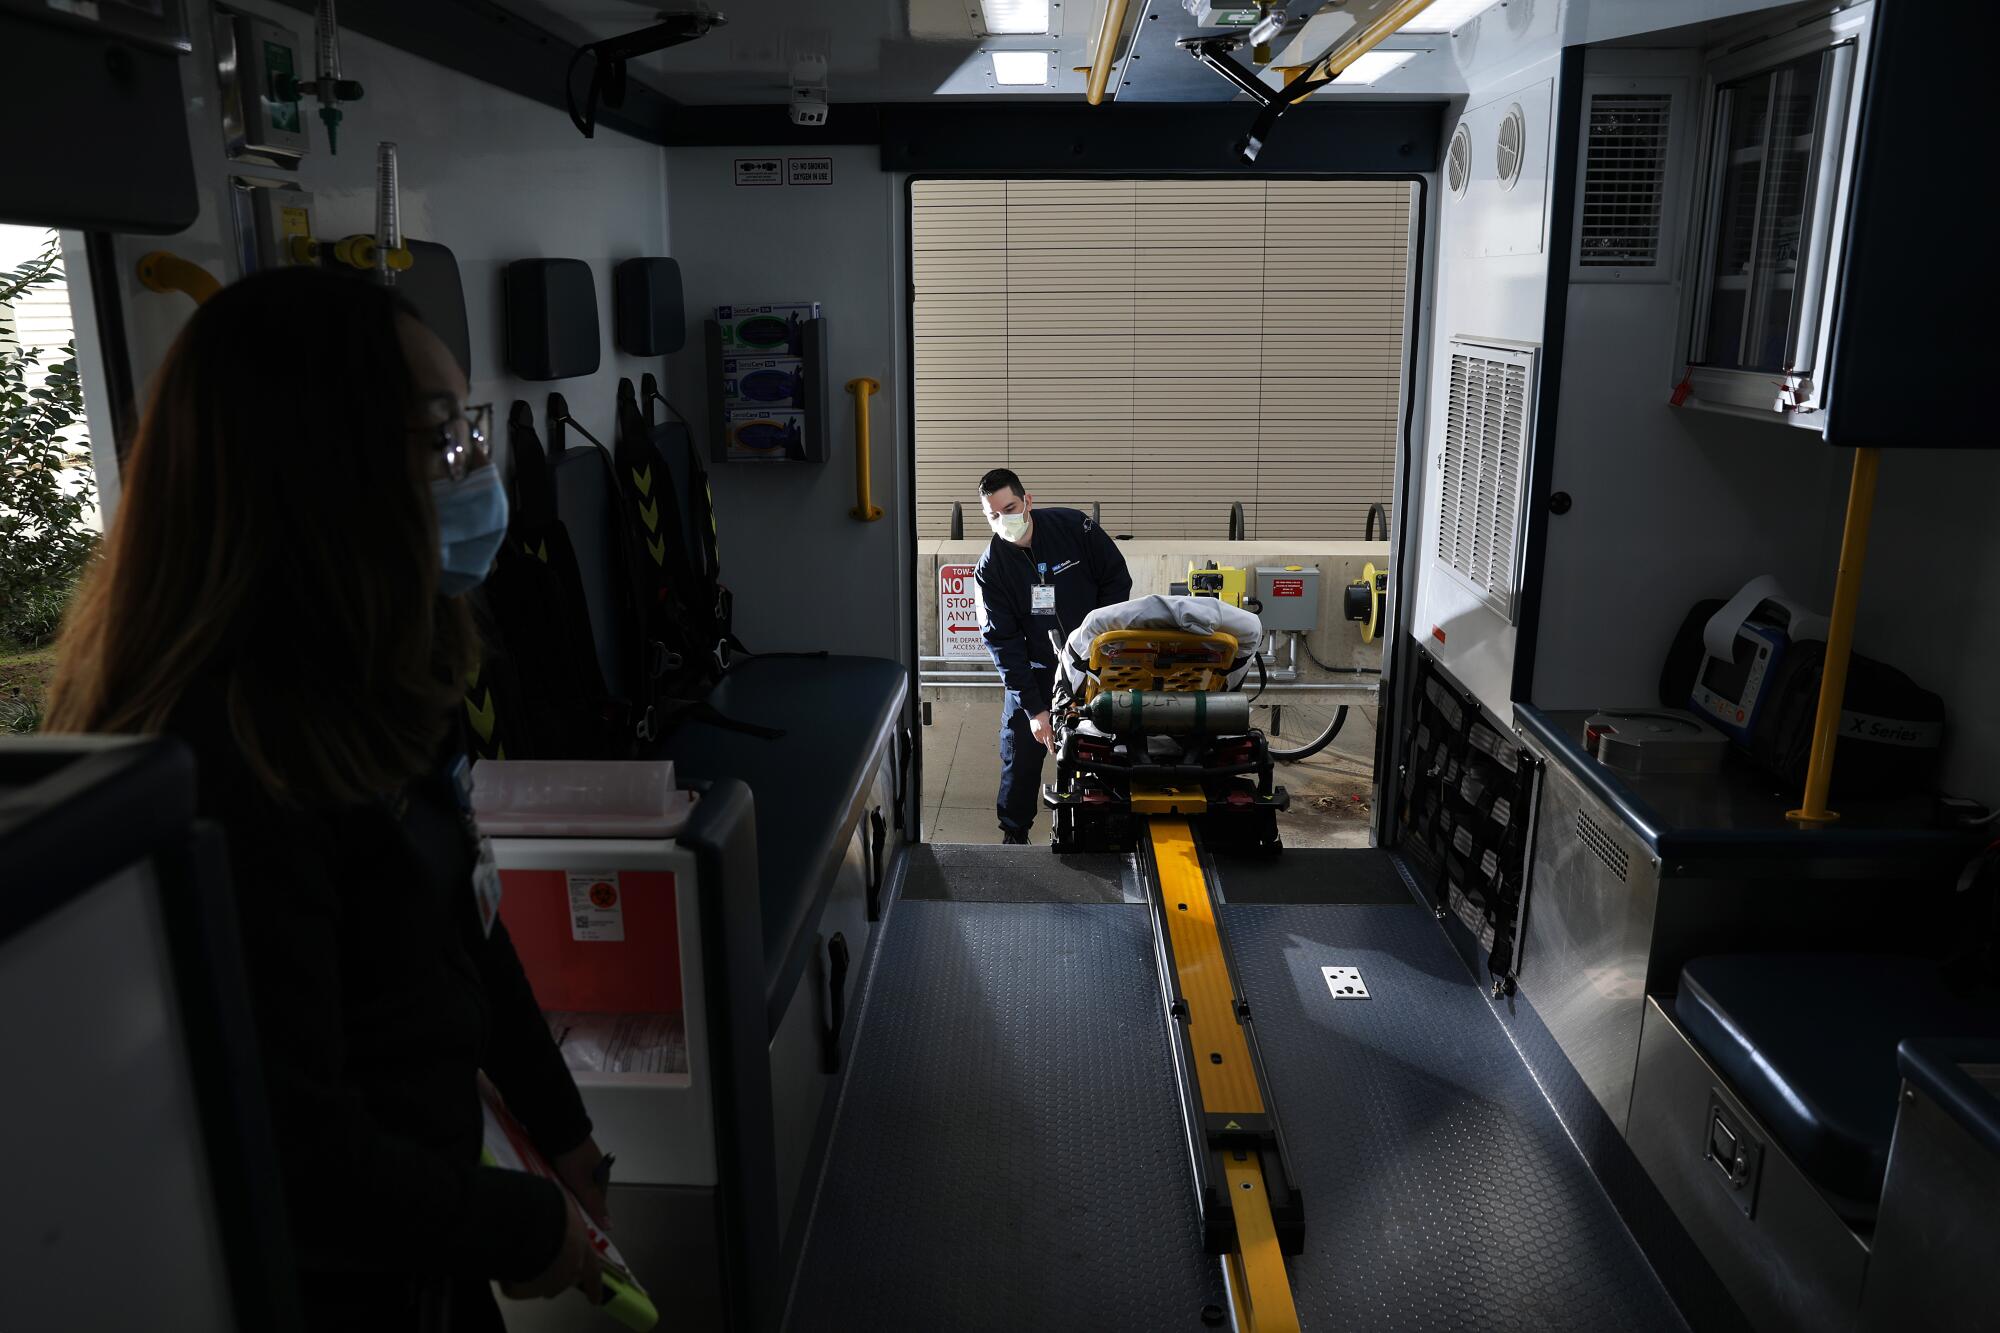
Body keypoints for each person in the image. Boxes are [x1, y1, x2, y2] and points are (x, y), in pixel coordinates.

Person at [47, 267, 608, 1332]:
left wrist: (562, 1127)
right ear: (322, 467)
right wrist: (520, 1227)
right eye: (443, 436)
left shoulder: (377, 679)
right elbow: (292, 1138)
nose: (474, 470)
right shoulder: (218, 760)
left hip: (429, 1251)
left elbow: (464, 925)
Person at [972, 468, 1132, 843]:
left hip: (1094, 665)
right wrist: (1034, 710)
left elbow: (1116, 579)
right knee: (1020, 755)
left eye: (1009, 508)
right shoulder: (990, 570)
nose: (1003, 520)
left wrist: (1098, 644)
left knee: (1104, 747)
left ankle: (1106, 825)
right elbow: (1002, 643)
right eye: (993, 515)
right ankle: (1015, 833)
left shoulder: (1074, 527)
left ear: (1027, 501)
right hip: (1036, 672)